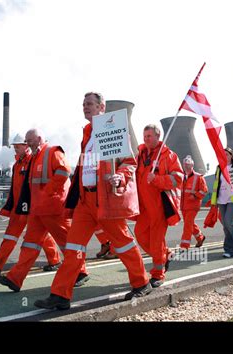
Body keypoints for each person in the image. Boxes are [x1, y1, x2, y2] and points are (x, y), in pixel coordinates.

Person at [34, 92, 151, 310]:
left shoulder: (114, 129)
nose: (85, 107)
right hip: (85, 201)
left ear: (102, 108)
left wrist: (121, 176)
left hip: (105, 199)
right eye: (83, 104)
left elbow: (129, 161)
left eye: (89, 104)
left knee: (123, 243)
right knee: (73, 247)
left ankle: (141, 281)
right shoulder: (87, 132)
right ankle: (60, 295)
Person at [0, 129, 88, 292]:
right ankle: (15, 279)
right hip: (38, 210)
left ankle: (81, 272)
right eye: (26, 140)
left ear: (38, 138)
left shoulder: (53, 151)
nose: (27, 143)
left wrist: (48, 191)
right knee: (29, 244)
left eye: (29, 140)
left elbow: (64, 170)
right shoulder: (35, 157)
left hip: (54, 209)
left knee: (67, 243)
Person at [0, 134, 62, 274]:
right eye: (14, 146)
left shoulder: (33, 160)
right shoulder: (17, 164)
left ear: (26, 146)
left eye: (18, 146)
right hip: (19, 207)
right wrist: (10, 205)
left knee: (42, 235)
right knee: (10, 235)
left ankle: (54, 260)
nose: (15, 149)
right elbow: (14, 187)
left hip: (31, 206)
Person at [135, 124, 183, 287]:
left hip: (159, 205)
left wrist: (156, 179)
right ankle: (166, 254)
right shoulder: (139, 154)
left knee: (156, 241)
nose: (146, 138)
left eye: (149, 136)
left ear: (158, 136)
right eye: (145, 135)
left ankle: (158, 274)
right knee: (139, 234)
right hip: (142, 206)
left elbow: (178, 179)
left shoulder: (168, 155)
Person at [210, 147, 233, 258]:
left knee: (229, 221)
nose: (225, 156)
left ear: (231, 155)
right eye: (223, 154)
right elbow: (216, 184)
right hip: (221, 198)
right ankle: (229, 249)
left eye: (227, 154)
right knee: (225, 225)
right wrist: (214, 200)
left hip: (232, 198)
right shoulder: (219, 167)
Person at [179, 155, 208, 250]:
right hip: (183, 206)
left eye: (188, 165)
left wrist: (195, 195)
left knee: (187, 225)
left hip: (193, 206)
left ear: (192, 165)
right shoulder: (181, 177)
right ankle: (200, 238)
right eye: (185, 165)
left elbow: (204, 191)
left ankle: (184, 246)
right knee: (190, 224)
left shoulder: (198, 177)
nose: (186, 166)